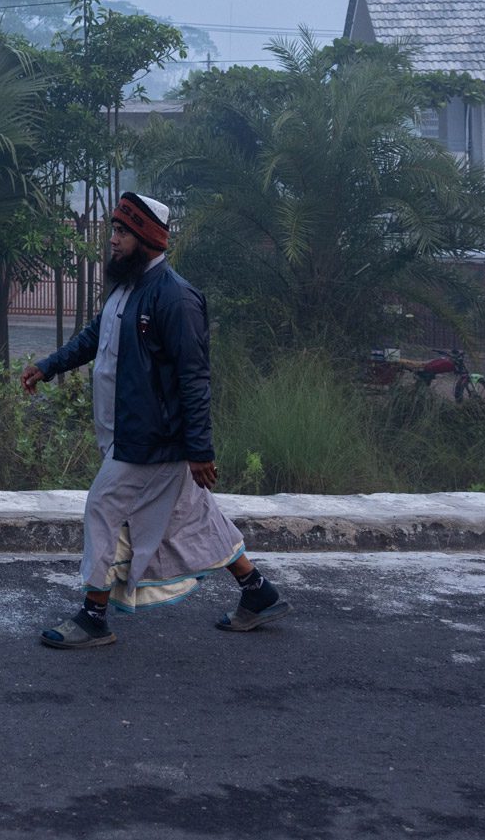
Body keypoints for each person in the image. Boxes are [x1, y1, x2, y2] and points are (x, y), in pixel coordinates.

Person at [20, 191, 291, 649]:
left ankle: (93, 616)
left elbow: (194, 378)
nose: (113, 240)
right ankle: (258, 593)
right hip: (129, 434)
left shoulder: (175, 298)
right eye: (114, 230)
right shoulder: (127, 289)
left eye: (122, 232)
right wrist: (50, 365)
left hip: (153, 441)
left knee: (103, 508)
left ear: (147, 237)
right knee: (196, 516)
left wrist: (200, 449)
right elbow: (94, 339)